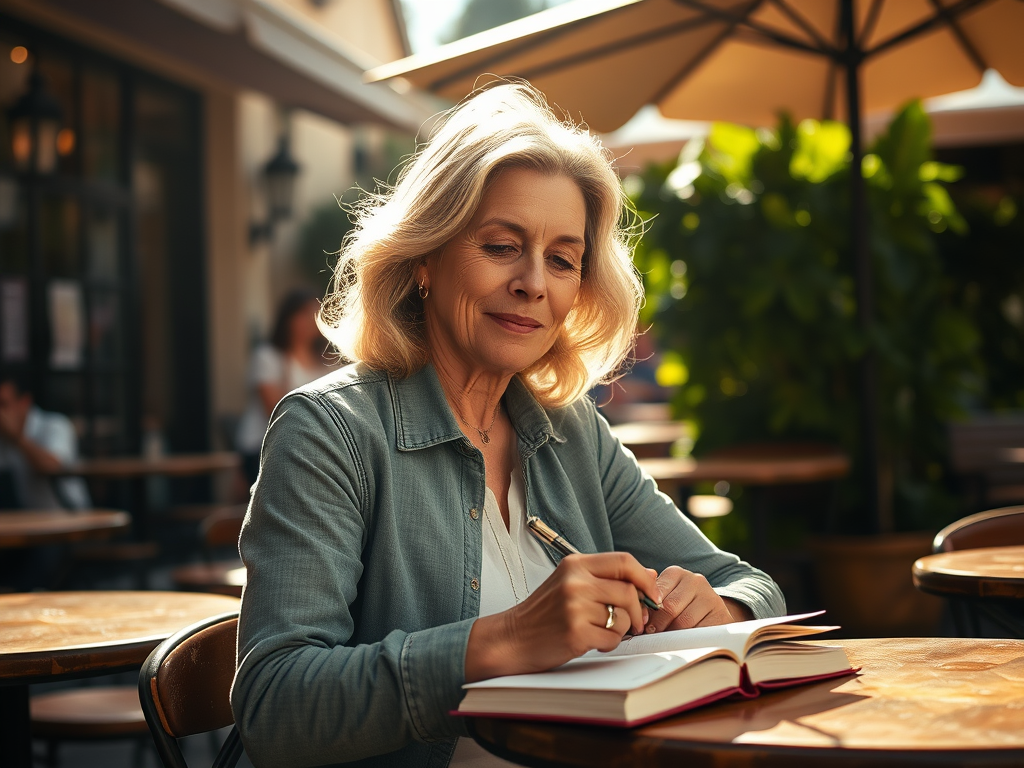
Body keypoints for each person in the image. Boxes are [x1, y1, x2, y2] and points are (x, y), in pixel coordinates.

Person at [232, 82, 785, 768]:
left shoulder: (570, 431)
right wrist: (502, 641)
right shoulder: (328, 432)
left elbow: (752, 586)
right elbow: (275, 707)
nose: (534, 283)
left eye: (562, 260)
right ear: (425, 259)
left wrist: (719, 613)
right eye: (501, 246)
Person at [234, 288, 331, 487]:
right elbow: (277, 409)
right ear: (288, 317)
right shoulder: (267, 356)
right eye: (303, 314)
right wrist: (290, 357)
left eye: (315, 313)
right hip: (263, 446)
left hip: (308, 445)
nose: (310, 320)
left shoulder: (325, 360)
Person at [0, 370, 90, 511]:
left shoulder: (56, 425)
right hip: (29, 523)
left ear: (24, 402)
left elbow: (51, 466)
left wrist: (17, 439)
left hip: (70, 521)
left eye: (3, 404)